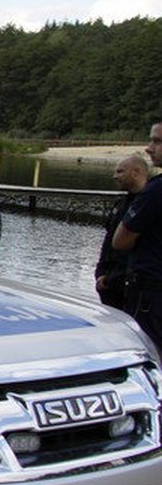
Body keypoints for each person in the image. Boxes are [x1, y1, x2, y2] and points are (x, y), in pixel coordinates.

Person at [112, 123, 162, 348]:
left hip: (150, 292)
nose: (149, 148)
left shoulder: (155, 191)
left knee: (145, 351)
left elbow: (120, 241)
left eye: (157, 142)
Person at [95, 155, 149, 309]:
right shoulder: (122, 204)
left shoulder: (148, 204)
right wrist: (100, 272)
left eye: (120, 172)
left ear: (136, 172)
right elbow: (108, 239)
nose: (115, 176)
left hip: (132, 283)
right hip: (109, 280)